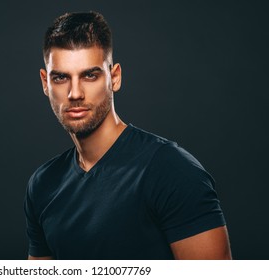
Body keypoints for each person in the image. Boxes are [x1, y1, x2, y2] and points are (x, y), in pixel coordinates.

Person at [24, 11, 231, 260]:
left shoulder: (171, 170)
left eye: (90, 75)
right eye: (61, 78)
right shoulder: (43, 184)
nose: (75, 93)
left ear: (114, 77)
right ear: (45, 83)